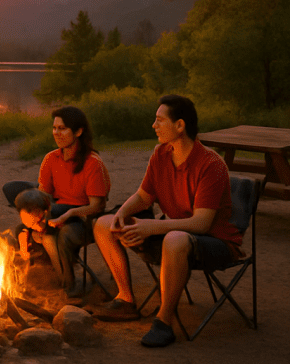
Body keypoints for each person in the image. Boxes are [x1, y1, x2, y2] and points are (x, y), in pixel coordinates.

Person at [91, 94, 242, 348]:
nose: (154, 125)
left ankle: (164, 321)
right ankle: (126, 299)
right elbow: (144, 196)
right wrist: (122, 213)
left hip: (215, 244)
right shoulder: (161, 154)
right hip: (175, 234)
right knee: (103, 224)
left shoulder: (211, 164)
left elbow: (202, 224)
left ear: (180, 125)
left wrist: (152, 227)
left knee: (173, 239)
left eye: (160, 120)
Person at [3, 106, 110, 297]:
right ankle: (57, 279)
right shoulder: (51, 159)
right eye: (54, 128)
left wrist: (69, 214)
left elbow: (97, 206)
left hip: (84, 221)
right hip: (54, 215)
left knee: (65, 232)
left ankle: (71, 287)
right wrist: (36, 216)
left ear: (78, 131)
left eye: (62, 128)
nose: (56, 133)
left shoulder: (93, 163)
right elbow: (42, 198)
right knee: (24, 228)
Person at [12, 188, 53, 261]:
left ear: (45, 212)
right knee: (19, 229)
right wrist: (23, 248)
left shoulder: (54, 220)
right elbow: (23, 229)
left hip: (52, 251)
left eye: (35, 223)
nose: (29, 226)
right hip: (37, 248)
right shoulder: (30, 219)